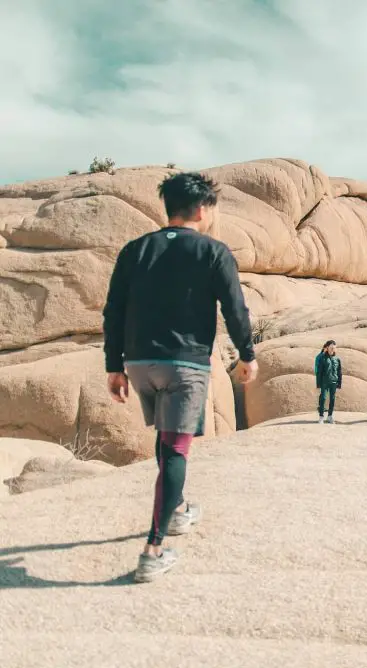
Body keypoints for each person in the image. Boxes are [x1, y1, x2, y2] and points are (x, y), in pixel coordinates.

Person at [102, 171, 259, 583]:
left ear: (167, 207)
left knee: (166, 439)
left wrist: (112, 366)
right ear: (203, 209)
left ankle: (176, 509)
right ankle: (154, 550)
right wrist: (247, 355)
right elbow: (235, 310)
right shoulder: (214, 251)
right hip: (183, 364)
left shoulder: (135, 250)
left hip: (138, 363)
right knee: (175, 449)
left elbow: (113, 310)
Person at [314, 339, 342, 424]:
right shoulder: (322, 358)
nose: (332, 349)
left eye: (334, 348)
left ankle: (330, 416)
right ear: (327, 348)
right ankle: (321, 417)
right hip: (324, 382)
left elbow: (339, 372)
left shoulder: (337, 359)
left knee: (332, 399)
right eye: (331, 347)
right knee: (323, 398)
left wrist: (339, 383)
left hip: (334, 382)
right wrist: (318, 384)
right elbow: (319, 372)